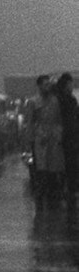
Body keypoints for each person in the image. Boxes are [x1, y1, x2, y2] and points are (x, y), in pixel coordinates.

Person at [56, 73, 79, 201]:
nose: (73, 86)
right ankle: (68, 188)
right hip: (65, 136)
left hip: (72, 135)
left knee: (71, 163)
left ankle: (71, 188)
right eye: (71, 83)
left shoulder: (71, 99)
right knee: (66, 163)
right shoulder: (61, 100)